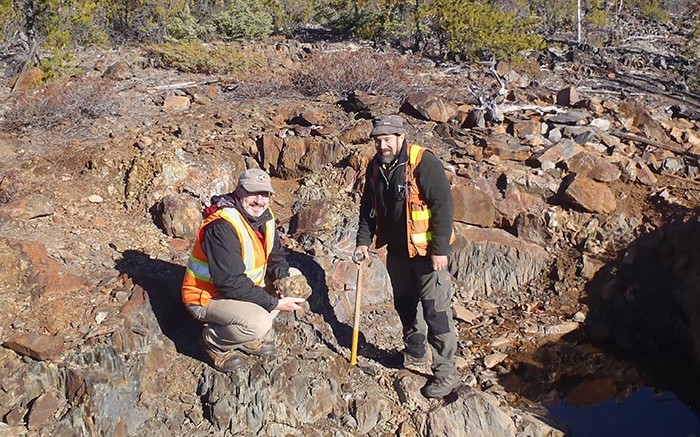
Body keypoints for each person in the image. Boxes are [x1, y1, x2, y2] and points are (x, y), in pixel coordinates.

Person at [353, 114, 459, 398]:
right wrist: (363, 242)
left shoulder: (423, 162)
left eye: (387, 139)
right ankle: (414, 354)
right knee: (405, 306)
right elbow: (368, 210)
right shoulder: (375, 167)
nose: (382, 145)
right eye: (377, 140)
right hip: (398, 254)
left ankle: (446, 373)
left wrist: (439, 250)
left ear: (400, 137)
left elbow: (443, 207)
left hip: (427, 256)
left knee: (436, 314)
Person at [182, 168, 308, 372]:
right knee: (259, 323)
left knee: (293, 277)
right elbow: (230, 283)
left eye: (265, 194)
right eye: (253, 193)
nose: (259, 200)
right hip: (207, 297)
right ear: (239, 191)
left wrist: (283, 280)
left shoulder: (264, 218)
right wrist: (274, 302)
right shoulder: (222, 226)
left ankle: (245, 336)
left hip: (241, 288)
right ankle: (214, 342)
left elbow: (275, 255)